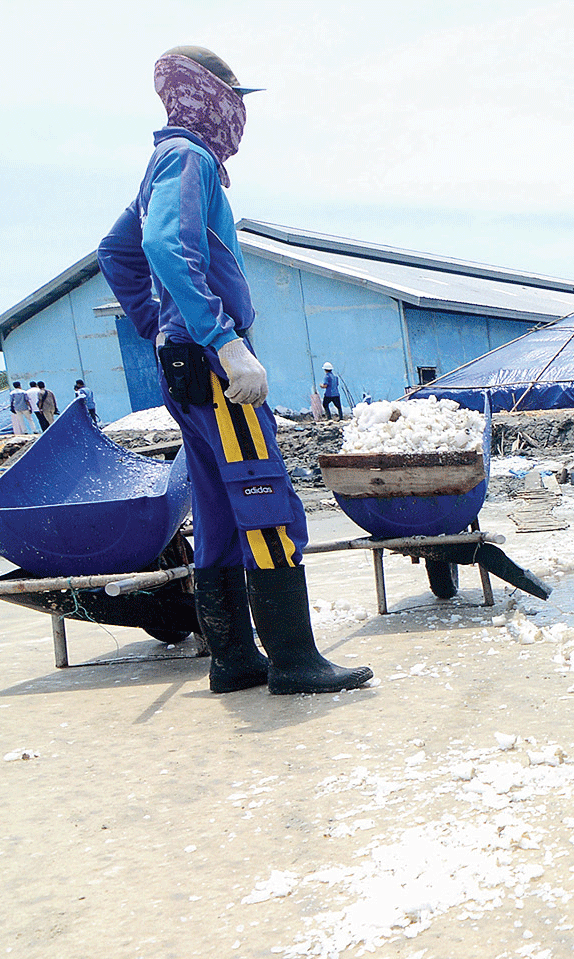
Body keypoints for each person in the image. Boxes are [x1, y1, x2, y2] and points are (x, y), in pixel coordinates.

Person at [96, 45, 371, 697]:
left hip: (183, 361)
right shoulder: (188, 157)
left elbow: (117, 252)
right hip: (211, 365)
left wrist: (157, 324)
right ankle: (296, 661)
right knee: (264, 498)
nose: (239, 113)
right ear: (208, 96)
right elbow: (163, 246)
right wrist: (222, 340)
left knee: (219, 511)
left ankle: (234, 657)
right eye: (234, 97)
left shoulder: (163, 160)